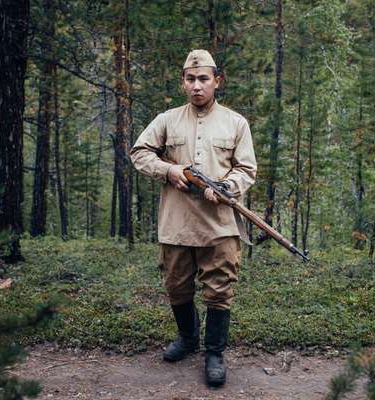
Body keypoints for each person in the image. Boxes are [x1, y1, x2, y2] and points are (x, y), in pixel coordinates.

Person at [130, 49, 257, 387]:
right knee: (177, 286)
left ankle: (214, 353)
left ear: (218, 80)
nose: (197, 86)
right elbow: (139, 153)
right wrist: (170, 170)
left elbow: (247, 169)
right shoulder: (167, 120)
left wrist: (228, 185)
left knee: (219, 290)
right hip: (176, 223)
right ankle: (188, 340)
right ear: (183, 82)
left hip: (220, 225)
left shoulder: (236, 123)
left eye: (204, 79)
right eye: (191, 79)